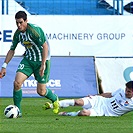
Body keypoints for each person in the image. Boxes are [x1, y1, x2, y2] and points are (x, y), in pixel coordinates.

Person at [0, 11, 59, 116]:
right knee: (17, 83)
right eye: (17, 23)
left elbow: (45, 46)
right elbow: (12, 50)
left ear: (26, 21)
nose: (19, 25)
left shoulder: (35, 31)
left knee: (41, 91)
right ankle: (18, 111)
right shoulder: (18, 34)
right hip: (28, 60)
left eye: (21, 22)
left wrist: (43, 64)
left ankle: (55, 99)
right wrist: (4, 66)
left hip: (42, 60)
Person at [43, 81, 133, 117]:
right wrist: (96, 95)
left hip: (104, 112)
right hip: (100, 101)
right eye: (126, 90)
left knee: (84, 113)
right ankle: (52, 105)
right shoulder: (121, 90)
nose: (126, 92)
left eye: (129, 91)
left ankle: (67, 114)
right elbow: (110, 94)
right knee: (78, 102)